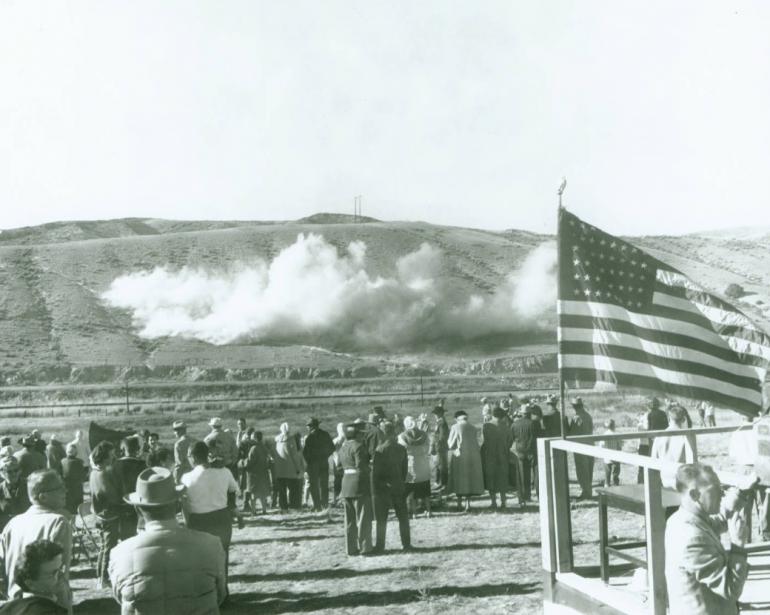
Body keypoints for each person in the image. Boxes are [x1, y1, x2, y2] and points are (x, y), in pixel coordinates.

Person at [110, 466, 227, 615]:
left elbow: (121, 598)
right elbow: (220, 595)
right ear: (178, 505)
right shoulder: (211, 545)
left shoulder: (119, 554)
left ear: (138, 509)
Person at [665, 463, 749, 615]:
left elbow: (718, 520)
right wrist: (738, 545)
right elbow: (730, 589)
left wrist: (741, 492)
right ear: (694, 495)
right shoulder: (693, 538)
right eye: (715, 490)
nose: (722, 494)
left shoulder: (681, 519)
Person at [0, 470, 72, 613]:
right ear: (43, 496)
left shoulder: (13, 523)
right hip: (47, 604)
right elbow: (60, 571)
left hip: (17, 604)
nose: (65, 491)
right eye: (59, 488)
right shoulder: (58, 522)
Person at [180, 441, 238, 598]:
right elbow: (233, 490)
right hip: (221, 519)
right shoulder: (224, 471)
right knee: (222, 556)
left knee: (201, 559)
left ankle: (206, 595)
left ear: (192, 457)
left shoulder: (187, 478)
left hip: (199, 521)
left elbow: (183, 503)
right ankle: (223, 593)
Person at [372, 422, 411, 553]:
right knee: (403, 517)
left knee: (381, 519)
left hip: (384, 488)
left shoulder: (380, 450)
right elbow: (405, 470)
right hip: (398, 486)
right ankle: (406, 544)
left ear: (383, 433)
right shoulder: (401, 448)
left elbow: (376, 473)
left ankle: (380, 545)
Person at [0, 540, 67, 615]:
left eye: (61, 568)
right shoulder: (49, 612)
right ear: (30, 584)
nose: (62, 575)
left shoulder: (7, 608)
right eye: (53, 573)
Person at [89, 441, 122, 589]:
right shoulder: (103, 474)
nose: (113, 458)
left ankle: (99, 576)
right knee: (109, 547)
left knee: (103, 547)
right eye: (111, 455)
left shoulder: (94, 472)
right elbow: (112, 496)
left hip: (99, 515)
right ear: (104, 457)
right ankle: (104, 579)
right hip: (109, 515)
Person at [339, 424, 373, 556]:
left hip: (346, 483)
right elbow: (361, 466)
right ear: (356, 435)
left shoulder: (343, 447)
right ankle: (365, 548)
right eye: (360, 433)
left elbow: (339, 467)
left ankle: (351, 548)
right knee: (363, 517)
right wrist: (370, 469)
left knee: (349, 520)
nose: (362, 435)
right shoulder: (358, 446)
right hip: (359, 484)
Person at [651, 404, 696, 489]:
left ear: (669, 419)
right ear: (684, 419)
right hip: (682, 482)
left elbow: (653, 463)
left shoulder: (659, 437)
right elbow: (693, 463)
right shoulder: (685, 437)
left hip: (665, 481)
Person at [447, 410, 484, 512]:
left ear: (457, 419)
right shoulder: (473, 428)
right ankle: (468, 504)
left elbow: (450, 444)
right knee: (469, 480)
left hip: (460, 456)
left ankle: (459, 504)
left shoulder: (455, 427)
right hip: (472, 457)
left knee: (459, 480)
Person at [398, 416, 431, 518]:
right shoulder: (424, 435)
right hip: (422, 463)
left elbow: (400, 451)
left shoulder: (402, 436)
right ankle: (428, 511)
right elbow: (427, 449)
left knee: (411, 489)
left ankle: (414, 513)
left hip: (410, 463)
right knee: (425, 488)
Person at [114, 436, 145, 540]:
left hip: (120, 506)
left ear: (122, 450)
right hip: (138, 506)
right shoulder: (142, 465)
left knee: (125, 538)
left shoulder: (114, 465)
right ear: (137, 449)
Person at [302, 418, 335, 512]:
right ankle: (324, 504)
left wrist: (309, 462)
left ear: (311, 426)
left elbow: (305, 453)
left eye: (308, 426)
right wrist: (324, 456)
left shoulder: (309, 438)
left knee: (314, 485)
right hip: (323, 463)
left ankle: (317, 505)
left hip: (313, 464)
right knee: (324, 484)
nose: (307, 427)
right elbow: (332, 448)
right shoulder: (325, 434)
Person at [481, 407, 509, 509]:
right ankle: (503, 502)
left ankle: (493, 502)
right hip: (502, 455)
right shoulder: (505, 426)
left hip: (490, 455)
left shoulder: (486, 426)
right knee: (502, 478)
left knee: (491, 479)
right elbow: (510, 440)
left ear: (492, 415)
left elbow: (483, 441)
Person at [636, 396, 669, 483]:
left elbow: (649, 428)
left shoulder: (650, 414)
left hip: (653, 439)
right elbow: (666, 426)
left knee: (653, 458)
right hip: (663, 438)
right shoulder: (663, 413)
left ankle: (653, 480)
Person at [272, 423, 304, 512]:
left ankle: (283, 508)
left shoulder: (277, 441)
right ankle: (294, 507)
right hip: (290, 469)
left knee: (282, 491)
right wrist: (298, 468)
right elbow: (294, 455)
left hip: (279, 469)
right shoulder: (291, 440)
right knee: (293, 489)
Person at [511, 406, 539, 506]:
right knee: (536, 474)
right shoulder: (534, 423)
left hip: (520, 452)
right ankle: (540, 495)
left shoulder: (515, 424)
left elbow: (512, 438)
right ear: (529, 413)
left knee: (523, 475)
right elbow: (538, 435)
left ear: (521, 413)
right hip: (533, 451)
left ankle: (525, 496)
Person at [238, 431, 271, 515]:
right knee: (263, 493)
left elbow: (249, 462)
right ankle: (264, 510)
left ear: (255, 438)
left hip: (254, 474)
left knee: (253, 494)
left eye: (252, 438)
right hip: (263, 473)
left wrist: (241, 462)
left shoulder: (253, 448)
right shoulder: (264, 447)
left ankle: (254, 511)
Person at [568, 397, 594, 499]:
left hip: (580, 447)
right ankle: (588, 491)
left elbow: (572, 433)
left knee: (582, 470)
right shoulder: (588, 416)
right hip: (590, 445)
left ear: (575, 407)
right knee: (589, 469)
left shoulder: (577, 418)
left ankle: (586, 492)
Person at [59, 445, 87, 516]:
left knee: (68, 508)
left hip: (66, 488)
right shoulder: (79, 462)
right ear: (76, 453)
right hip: (77, 489)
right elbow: (83, 476)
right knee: (76, 508)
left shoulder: (62, 461)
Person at [0, 457, 26, 532]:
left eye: (16, 470)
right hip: (8, 528)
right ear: (2, 473)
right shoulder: (1, 489)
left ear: (20, 470)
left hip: (27, 526)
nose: (14, 474)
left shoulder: (29, 485)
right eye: (9, 472)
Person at [430, 406, 450, 499]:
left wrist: (436, 446)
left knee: (442, 466)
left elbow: (441, 436)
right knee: (440, 465)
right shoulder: (440, 421)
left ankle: (443, 484)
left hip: (440, 447)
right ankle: (440, 483)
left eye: (436, 414)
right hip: (441, 446)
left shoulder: (441, 422)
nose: (435, 415)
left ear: (440, 414)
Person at [598, 419, 622, 487]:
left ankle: (607, 484)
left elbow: (601, 445)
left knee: (607, 473)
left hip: (607, 456)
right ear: (613, 426)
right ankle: (615, 484)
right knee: (615, 473)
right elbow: (619, 446)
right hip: (615, 456)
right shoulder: (616, 434)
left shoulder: (604, 434)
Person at [331, 423, 346, 507]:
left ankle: (338, 500)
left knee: (339, 481)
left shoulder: (336, 440)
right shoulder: (338, 440)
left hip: (339, 462)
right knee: (339, 481)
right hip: (339, 462)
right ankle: (338, 499)